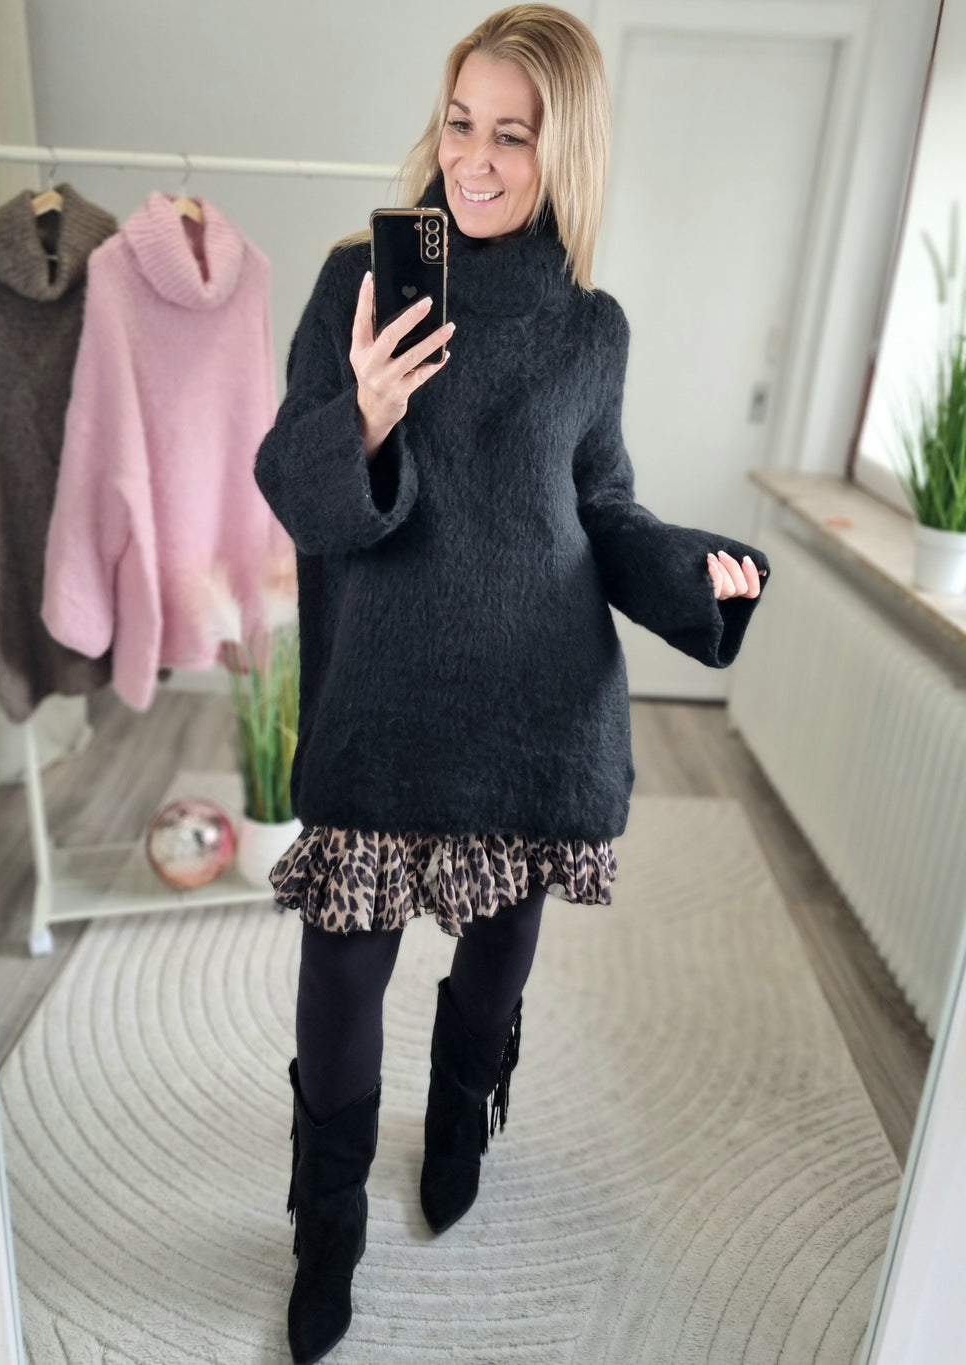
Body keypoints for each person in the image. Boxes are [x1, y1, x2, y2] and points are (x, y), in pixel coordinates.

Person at [253, 6, 769, 1361]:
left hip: (534, 714)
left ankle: (461, 1114)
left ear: (566, 150)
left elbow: (603, 512)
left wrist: (697, 575)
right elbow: (293, 487)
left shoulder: (593, 332)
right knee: (340, 975)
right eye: (460, 124)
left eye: (512, 136)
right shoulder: (355, 285)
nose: (473, 159)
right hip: (382, 706)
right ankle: (327, 1223)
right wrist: (365, 414)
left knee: (495, 964)